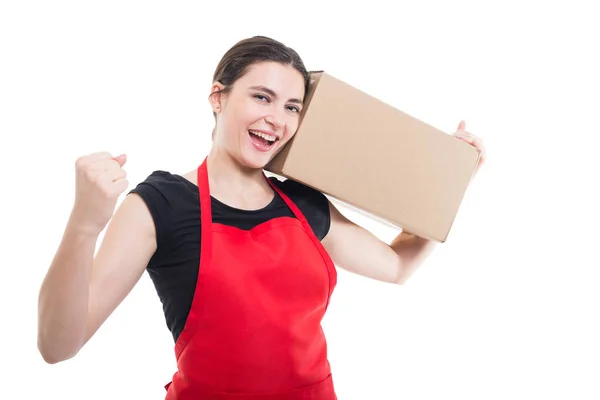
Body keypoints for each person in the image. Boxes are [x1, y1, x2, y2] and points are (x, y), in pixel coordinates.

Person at [37, 36, 486, 399]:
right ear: (218, 97)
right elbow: (59, 346)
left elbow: (399, 265)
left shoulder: (304, 204)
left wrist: (448, 182)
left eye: (292, 106)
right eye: (262, 97)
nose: (277, 119)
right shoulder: (161, 205)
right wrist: (84, 224)